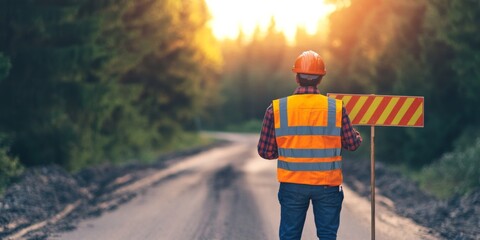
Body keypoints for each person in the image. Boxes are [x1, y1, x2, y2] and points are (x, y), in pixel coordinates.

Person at [257, 50, 362, 240]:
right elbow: (352, 144)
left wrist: (288, 150)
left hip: (292, 184)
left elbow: (265, 151)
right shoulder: (336, 108)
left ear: (297, 77)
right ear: (320, 78)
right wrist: (357, 136)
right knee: (328, 236)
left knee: (290, 236)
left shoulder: (277, 108)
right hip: (327, 186)